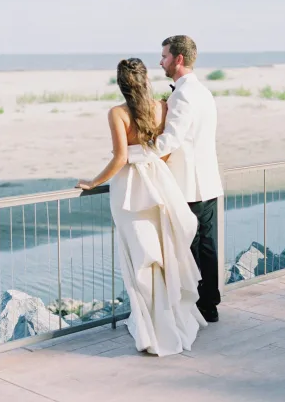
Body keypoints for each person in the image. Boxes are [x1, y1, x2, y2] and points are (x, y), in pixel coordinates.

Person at [75, 58, 206, 356]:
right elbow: (164, 151)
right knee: (163, 252)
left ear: (121, 84)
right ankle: (167, 319)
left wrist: (94, 182)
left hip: (131, 189)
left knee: (140, 258)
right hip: (159, 183)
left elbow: (121, 157)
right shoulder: (161, 106)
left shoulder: (117, 113)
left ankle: (151, 328)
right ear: (145, 79)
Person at [155, 35, 223, 323]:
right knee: (207, 247)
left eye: (165, 56)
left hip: (189, 186)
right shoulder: (204, 92)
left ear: (178, 59)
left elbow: (171, 140)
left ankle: (196, 308)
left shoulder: (182, 95)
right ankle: (210, 303)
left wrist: (141, 153)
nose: (161, 61)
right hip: (207, 181)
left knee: (190, 251)